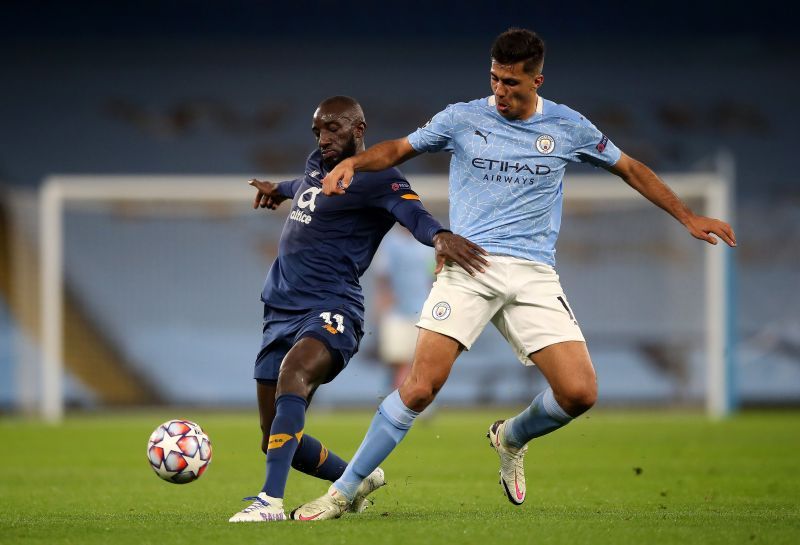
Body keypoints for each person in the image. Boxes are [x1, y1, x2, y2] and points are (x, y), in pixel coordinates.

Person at [291, 29, 736, 520]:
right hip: (469, 266)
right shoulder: (462, 118)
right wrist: (353, 162)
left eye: (511, 84)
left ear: (536, 80)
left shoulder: (568, 126)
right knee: (419, 386)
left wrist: (688, 216)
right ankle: (342, 492)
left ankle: (510, 437)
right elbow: (399, 148)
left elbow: (629, 168)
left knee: (579, 393)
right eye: (494, 80)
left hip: (533, 275)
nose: (500, 92)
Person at [228, 95, 487, 522]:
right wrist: (280, 190)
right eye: (318, 131)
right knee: (272, 435)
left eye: (333, 128)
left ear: (358, 129)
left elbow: (413, 213)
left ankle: (269, 502)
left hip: (332, 308)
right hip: (279, 311)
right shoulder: (318, 163)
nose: (324, 138)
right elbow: (304, 186)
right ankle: (356, 478)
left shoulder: (379, 177)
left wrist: (439, 236)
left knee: (293, 376)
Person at [373, 227, 435, 390]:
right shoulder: (389, 242)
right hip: (396, 311)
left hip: (422, 311)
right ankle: (398, 400)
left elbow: (432, 275)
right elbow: (382, 276)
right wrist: (381, 305)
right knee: (398, 361)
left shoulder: (427, 243)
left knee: (420, 361)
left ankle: (412, 400)